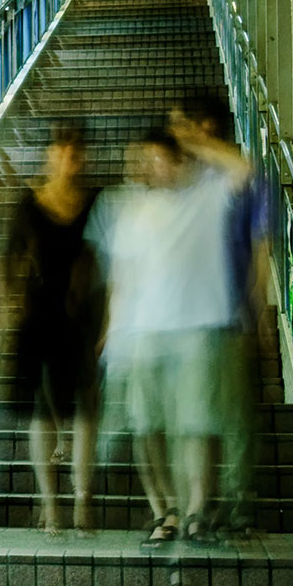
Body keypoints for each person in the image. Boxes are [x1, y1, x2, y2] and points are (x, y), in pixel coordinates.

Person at [89, 127, 245, 546]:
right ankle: (165, 511)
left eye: (160, 159)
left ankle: (196, 511)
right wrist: (110, 330)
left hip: (198, 328)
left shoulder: (208, 195)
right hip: (141, 333)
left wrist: (193, 140)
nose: (151, 168)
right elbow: (122, 277)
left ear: (180, 161)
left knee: (196, 425)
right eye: (147, 160)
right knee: (146, 427)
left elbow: (245, 170)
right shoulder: (132, 210)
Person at [169, 92, 268, 535]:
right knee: (196, 418)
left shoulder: (235, 178)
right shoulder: (186, 182)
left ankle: (239, 506)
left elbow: (260, 244)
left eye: (205, 127)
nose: (196, 136)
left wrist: (259, 309)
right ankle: (201, 504)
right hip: (189, 317)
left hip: (232, 315)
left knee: (235, 421)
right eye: (193, 127)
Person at [5, 122, 104, 535]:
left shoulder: (96, 200)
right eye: (61, 150)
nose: (69, 157)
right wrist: (10, 306)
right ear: (49, 155)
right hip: (40, 315)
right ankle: (50, 503)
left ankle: (82, 500)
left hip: (83, 315)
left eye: (75, 150)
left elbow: (107, 260)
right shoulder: (29, 204)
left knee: (86, 410)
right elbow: (10, 258)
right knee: (41, 414)